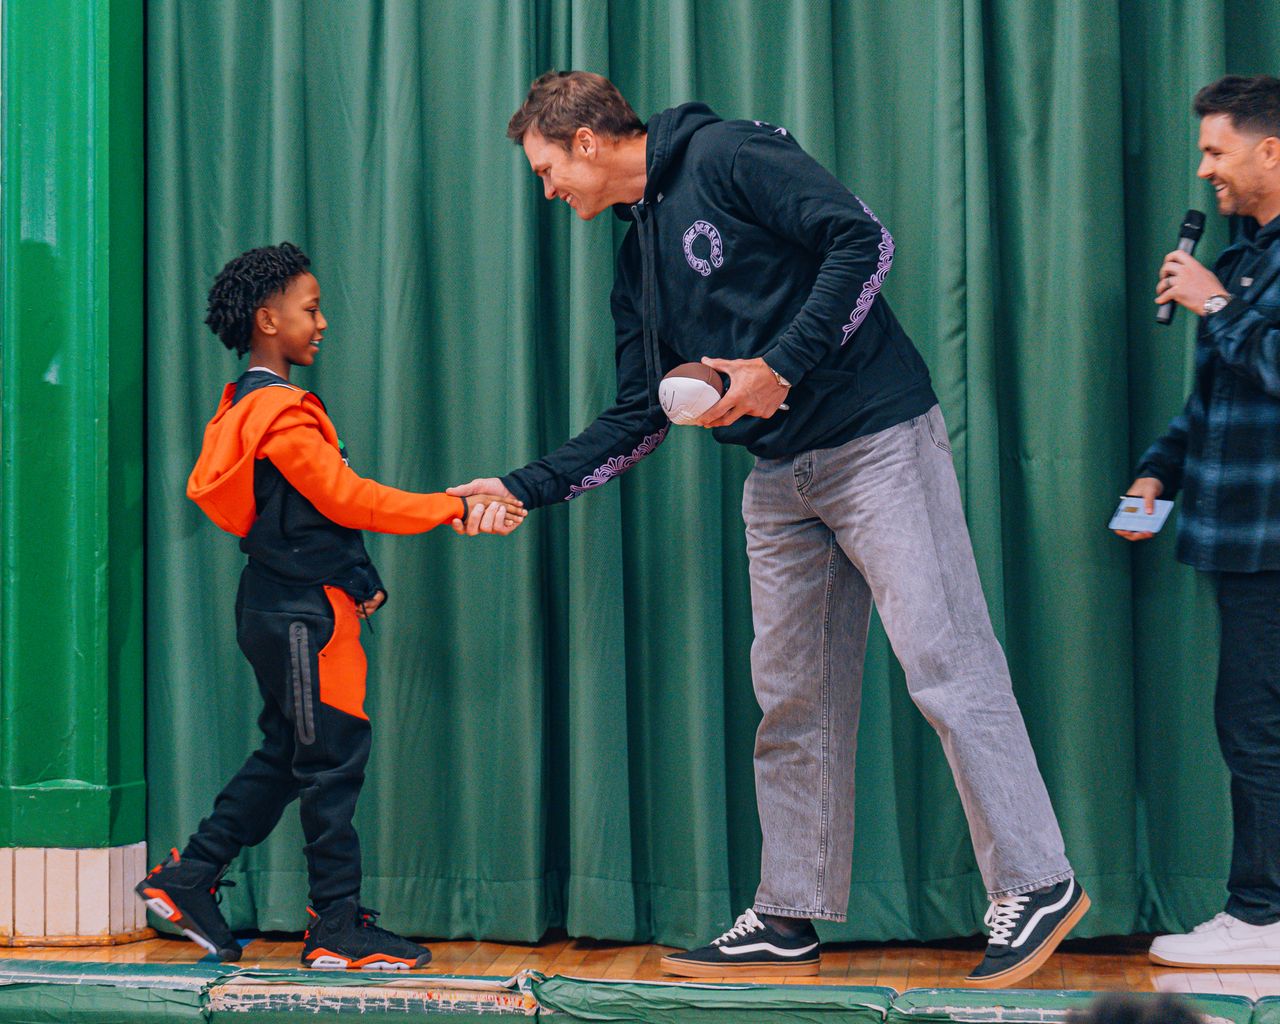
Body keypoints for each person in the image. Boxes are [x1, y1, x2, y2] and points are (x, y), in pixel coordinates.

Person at [451, 71, 1087, 986]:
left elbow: (863, 242)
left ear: (586, 141)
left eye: (548, 168)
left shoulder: (728, 154)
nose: (548, 189)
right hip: (780, 481)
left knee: (947, 662)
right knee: (792, 698)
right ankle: (788, 914)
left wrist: (778, 366)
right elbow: (638, 413)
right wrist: (523, 487)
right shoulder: (636, 260)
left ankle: (1038, 881)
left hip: (878, 443)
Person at [136, 242, 525, 969]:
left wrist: (357, 572)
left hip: (283, 605)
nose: (322, 323)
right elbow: (347, 498)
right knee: (331, 763)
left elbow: (305, 518)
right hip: (301, 619)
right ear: (267, 319)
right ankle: (336, 928)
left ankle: (189, 877)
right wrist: (455, 505)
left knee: (293, 755)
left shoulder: (243, 406)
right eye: (309, 310)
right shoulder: (281, 413)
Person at [1117, 74, 1280, 969]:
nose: (1204, 168)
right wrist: (1157, 473)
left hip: (1272, 536)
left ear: (1271, 149)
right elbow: (1217, 397)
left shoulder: (1241, 272)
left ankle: (1260, 917)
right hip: (1241, 534)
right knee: (1251, 720)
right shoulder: (1251, 252)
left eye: (1216, 149)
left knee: (1256, 724)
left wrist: (1215, 302)